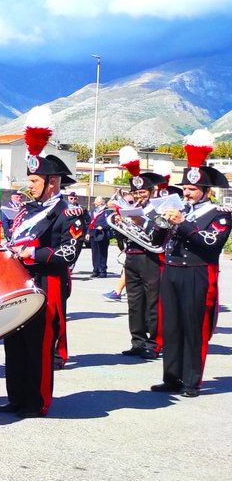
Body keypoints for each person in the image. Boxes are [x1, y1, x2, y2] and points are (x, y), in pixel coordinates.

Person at [0, 106, 83, 418]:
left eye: (34, 180)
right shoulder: (26, 210)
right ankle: (16, 397)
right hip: (18, 284)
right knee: (15, 343)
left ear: (52, 181)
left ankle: (37, 401)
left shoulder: (68, 211)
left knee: (38, 344)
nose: (29, 184)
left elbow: (68, 253)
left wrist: (33, 254)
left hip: (47, 284)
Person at [152, 129, 230, 398]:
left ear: (205, 191)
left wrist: (181, 223)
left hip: (197, 272)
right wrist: (160, 223)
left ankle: (191, 381)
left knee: (193, 327)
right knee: (171, 326)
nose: (187, 193)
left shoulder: (220, 213)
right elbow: (157, 239)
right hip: (172, 270)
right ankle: (171, 377)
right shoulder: (180, 209)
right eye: (185, 188)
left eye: (192, 189)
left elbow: (210, 243)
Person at [112, 147, 167, 359]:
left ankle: (154, 343)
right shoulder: (130, 208)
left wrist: (141, 221)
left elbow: (159, 235)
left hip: (150, 258)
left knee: (153, 303)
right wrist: (119, 224)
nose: (138, 196)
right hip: (132, 257)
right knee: (134, 303)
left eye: (142, 192)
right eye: (135, 192)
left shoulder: (159, 210)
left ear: (152, 192)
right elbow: (123, 239)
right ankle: (137, 341)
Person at [89, 197, 113, 278]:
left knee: (102, 253)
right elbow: (90, 223)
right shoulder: (93, 211)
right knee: (95, 253)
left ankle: (102, 271)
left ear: (102, 203)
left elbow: (109, 223)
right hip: (94, 234)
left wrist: (102, 227)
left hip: (103, 234)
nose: (95, 204)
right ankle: (96, 270)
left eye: (96, 202)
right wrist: (88, 233)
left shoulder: (107, 211)